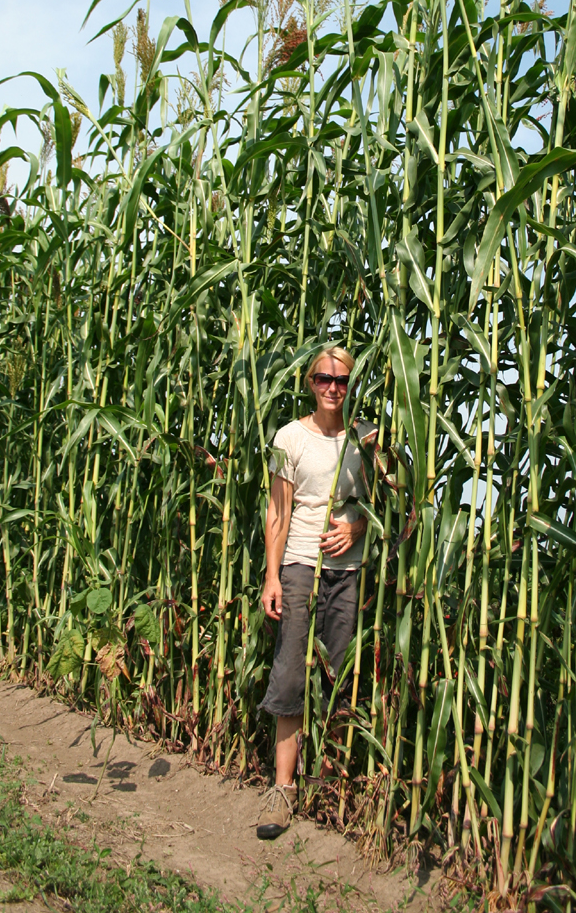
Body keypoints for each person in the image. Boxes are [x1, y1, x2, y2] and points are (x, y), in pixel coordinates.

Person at [256, 344, 371, 840]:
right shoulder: (289, 437)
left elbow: (392, 506)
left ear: (352, 386)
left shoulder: (367, 439)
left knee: (339, 672)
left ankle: (331, 787)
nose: (332, 387)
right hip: (302, 565)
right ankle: (282, 790)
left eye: (342, 380)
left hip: (349, 571)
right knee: (290, 673)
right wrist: (272, 576)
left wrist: (357, 526)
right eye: (324, 378)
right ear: (309, 381)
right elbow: (278, 512)